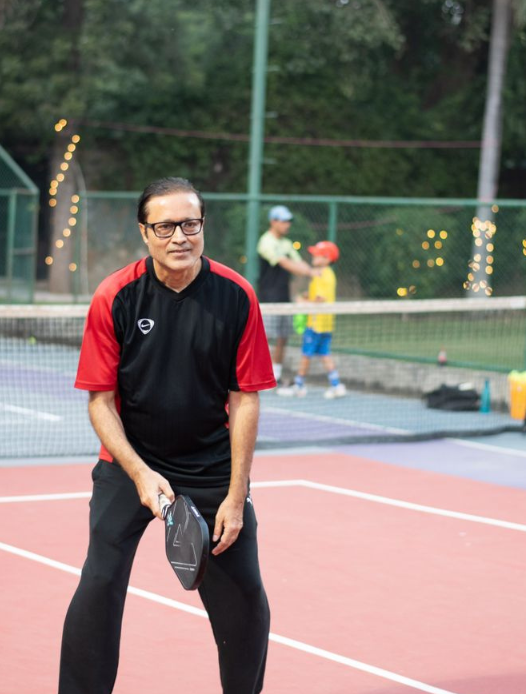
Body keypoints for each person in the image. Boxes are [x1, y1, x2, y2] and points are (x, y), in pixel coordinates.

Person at [60, 177, 274, 694]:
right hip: (129, 460)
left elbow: (246, 397)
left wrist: (236, 494)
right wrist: (138, 472)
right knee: (100, 583)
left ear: (203, 227)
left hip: (210, 466)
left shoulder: (237, 297)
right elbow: (100, 402)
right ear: (145, 231)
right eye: (165, 226)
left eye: (190, 224)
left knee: (245, 598)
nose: (179, 236)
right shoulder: (116, 296)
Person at [256, 205, 316, 385]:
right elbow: (284, 263)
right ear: (273, 222)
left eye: (288, 221)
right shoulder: (266, 241)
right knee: (265, 339)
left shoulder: (287, 243)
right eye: (283, 221)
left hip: (284, 297)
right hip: (268, 298)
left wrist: (314, 271)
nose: (287, 225)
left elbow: (299, 263)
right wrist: (310, 273)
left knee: (283, 337)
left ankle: (275, 375)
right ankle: (257, 374)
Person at [277, 241, 345, 399]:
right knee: (324, 353)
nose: (313, 255)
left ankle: (299, 386)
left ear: (327, 258)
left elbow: (320, 299)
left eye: (317, 253)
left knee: (305, 355)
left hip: (316, 323)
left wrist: (302, 302)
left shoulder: (322, 274)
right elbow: (320, 296)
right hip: (326, 324)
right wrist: (307, 296)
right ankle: (337, 385)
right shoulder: (326, 273)